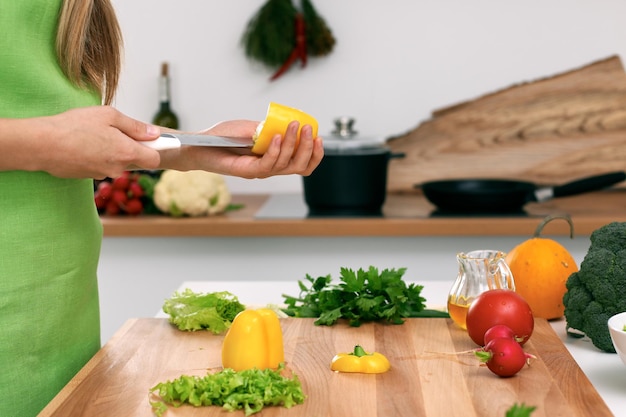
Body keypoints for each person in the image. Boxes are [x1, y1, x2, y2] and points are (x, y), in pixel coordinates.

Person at [0, 1, 323, 416]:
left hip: (58, 319)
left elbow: (46, 115)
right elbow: (49, 132)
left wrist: (194, 148)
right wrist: (45, 144)